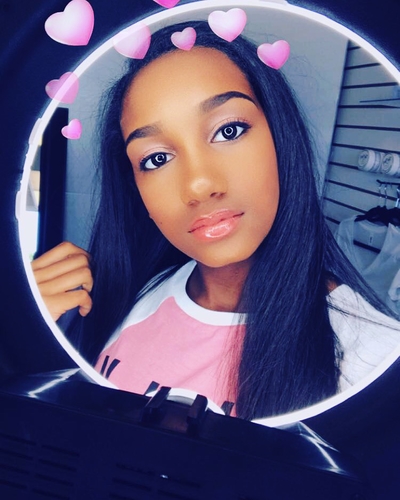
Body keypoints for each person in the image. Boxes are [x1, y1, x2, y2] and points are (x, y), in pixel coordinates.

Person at [32, 20, 400, 420]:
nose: (199, 185)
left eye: (228, 131)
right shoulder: (126, 293)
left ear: (281, 137)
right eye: (156, 158)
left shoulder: (373, 358)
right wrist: (24, 330)